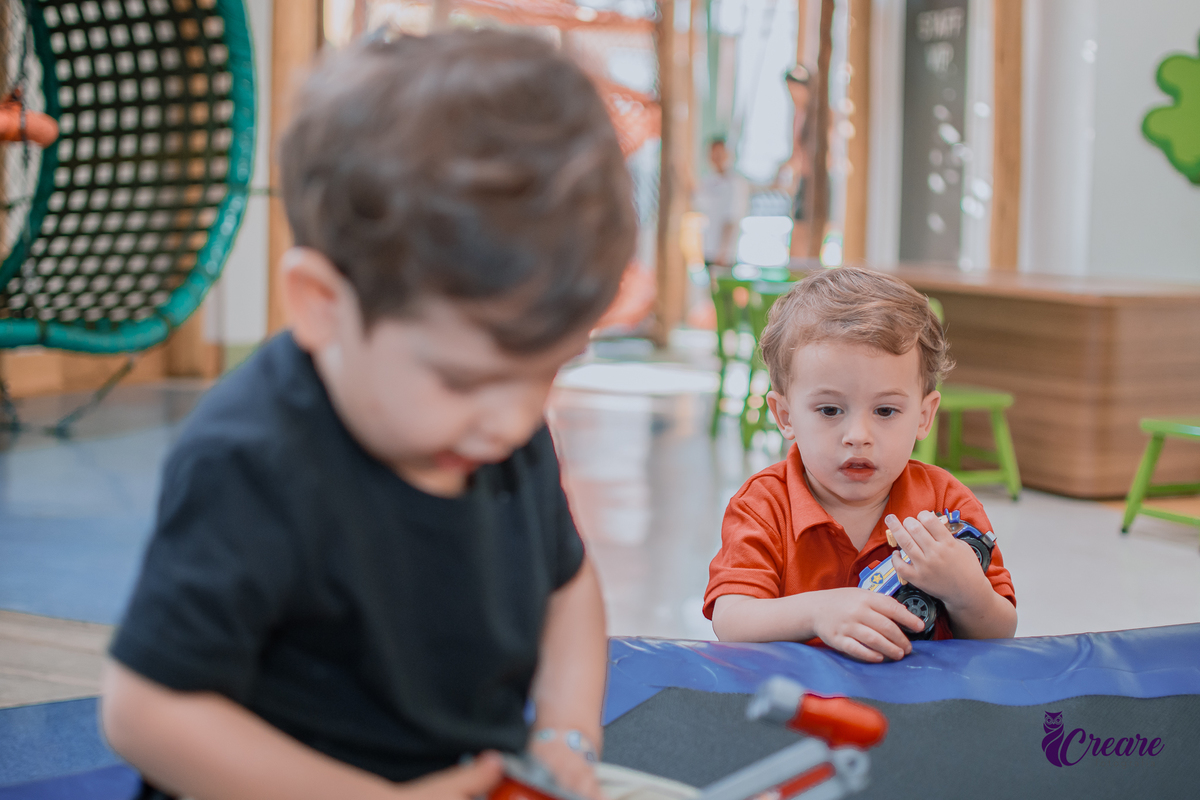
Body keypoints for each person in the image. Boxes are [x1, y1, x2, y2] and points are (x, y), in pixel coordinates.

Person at [100, 30, 637, 800]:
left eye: (545, 373)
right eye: (462, 379)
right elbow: (147, 712)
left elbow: (568, 587)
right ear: (322, 306)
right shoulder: (252, 461)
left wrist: (562, 729)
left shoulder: (500, 427)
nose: (513, 421)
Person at [703, 267, 1017, 662]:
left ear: (923, 416)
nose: (858, 435)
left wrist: (965, 592)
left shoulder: (946, 502)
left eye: (885, 410)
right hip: (803, 707)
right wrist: (818, 612)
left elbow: (1001, 634)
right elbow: (731, 620)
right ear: (785, 416)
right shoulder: (763, 505)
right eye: (830, 409)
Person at [693, 137, 748, 267]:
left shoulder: (735, 184)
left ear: (727, 155)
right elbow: (698, 203)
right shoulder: (708, 181)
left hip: (726, 254)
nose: (716, 158)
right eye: (713, 154)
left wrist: (723, 251)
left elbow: (732, 218)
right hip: (708, 248)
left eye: (720, 154)